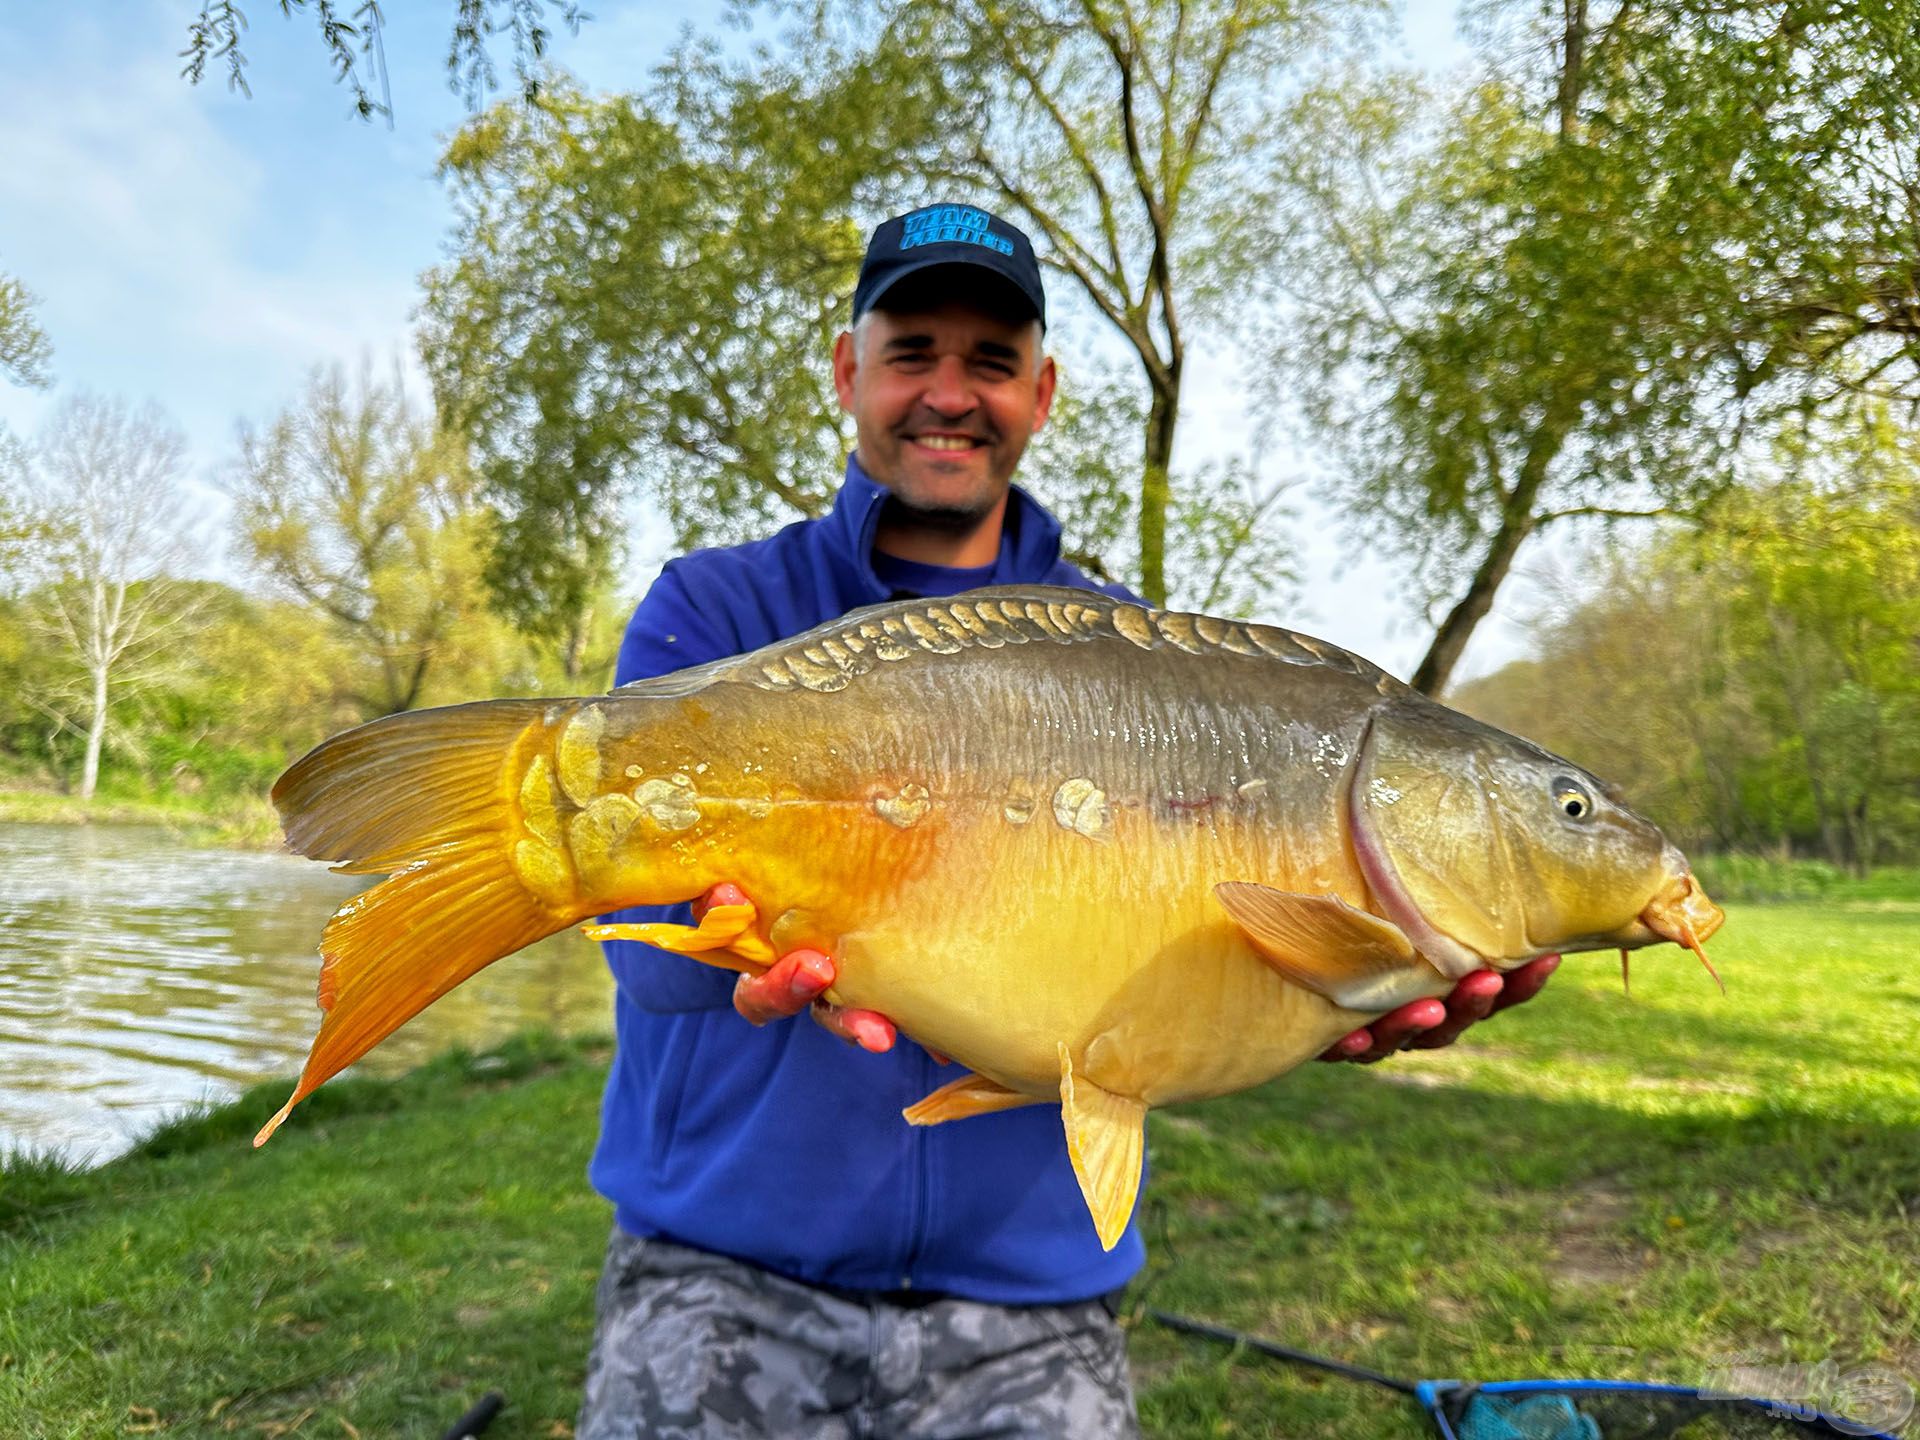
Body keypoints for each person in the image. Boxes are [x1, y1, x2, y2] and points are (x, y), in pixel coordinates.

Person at [577, 202, 1559, 1439]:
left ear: (1041, 393)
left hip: (1028, 1294)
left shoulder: (1146, 664)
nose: (949, 393)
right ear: (848, 372)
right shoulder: (718, 611)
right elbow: (635, 955)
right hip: (723, 1268)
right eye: (913, 352)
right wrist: (731, 938)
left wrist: (1340, 988)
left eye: (990, 362)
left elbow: (1207, 959)